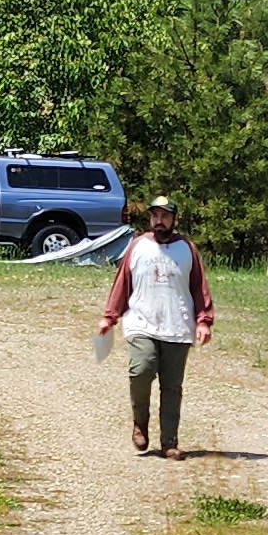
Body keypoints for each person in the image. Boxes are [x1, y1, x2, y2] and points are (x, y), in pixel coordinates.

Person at [97, 192, 214, 459]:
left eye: (164, 216)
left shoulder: (187, 249)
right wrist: (110, 316)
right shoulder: (137, 246)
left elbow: (199, 287)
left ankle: (169, 443)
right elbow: (122, 283)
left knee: (172, 386)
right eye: (155, 216)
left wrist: (203, 320)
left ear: (174, 219)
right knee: (141, 369)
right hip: (141, 321)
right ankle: (140, 423)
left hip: (177, 325)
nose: (159, 221)